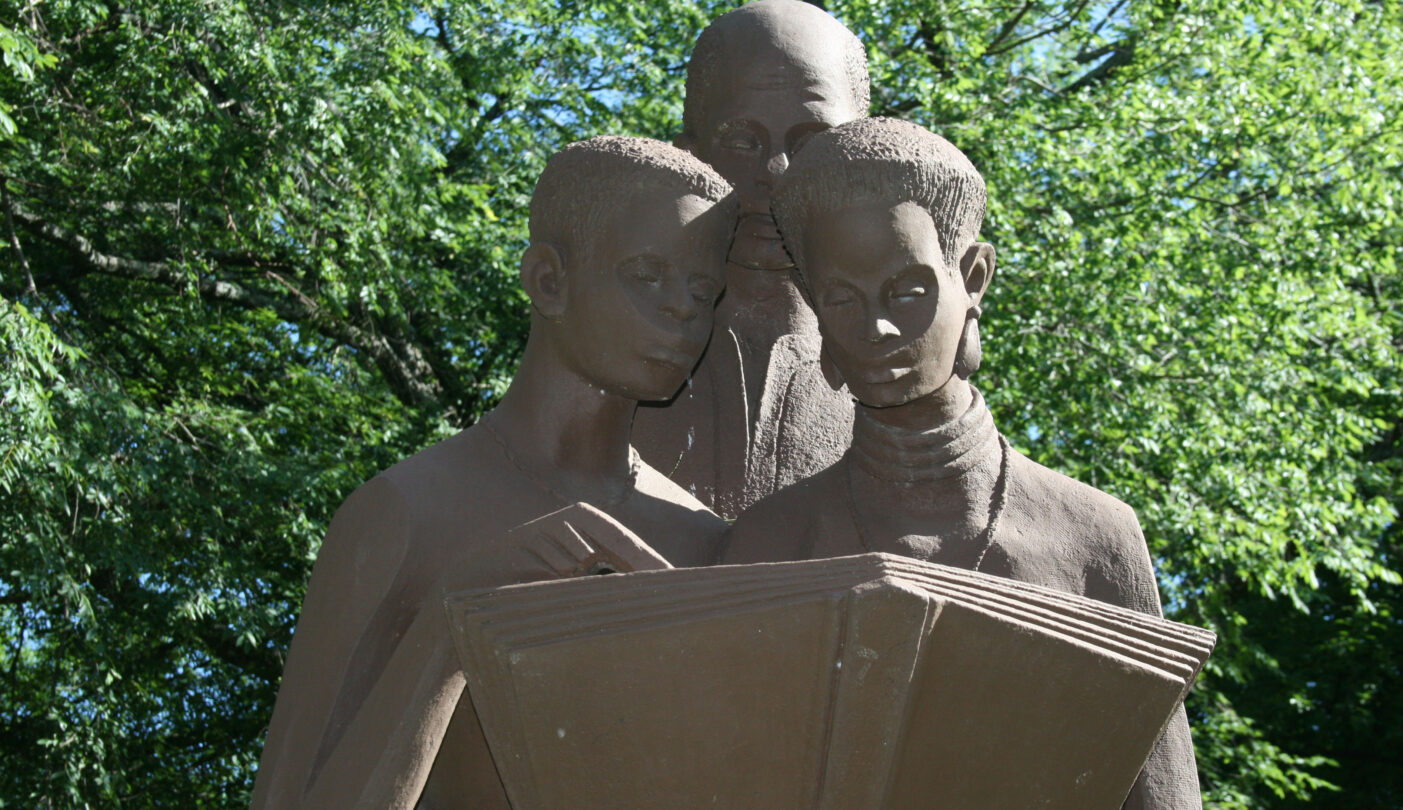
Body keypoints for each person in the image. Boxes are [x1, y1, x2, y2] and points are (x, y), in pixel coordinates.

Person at [724, 117, 1205, 809]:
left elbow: (1161, 796)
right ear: (812, 303)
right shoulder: (771, 545)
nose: (877, 329)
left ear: (972, 277)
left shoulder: (1094, 536)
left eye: (908, 290)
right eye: (841, 298)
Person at [249, 136, 735, 810]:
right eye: (647, 274)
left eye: (703, 288)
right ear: (548, 280)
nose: (683, 308)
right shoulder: (405, 513)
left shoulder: (702, 543)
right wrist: (451, 626)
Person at [632, 0, 870, 518]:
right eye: (743, 140)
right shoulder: (615, 358)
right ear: (690, 156)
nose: (777, 171)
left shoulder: (900, 368)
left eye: (813, 141)